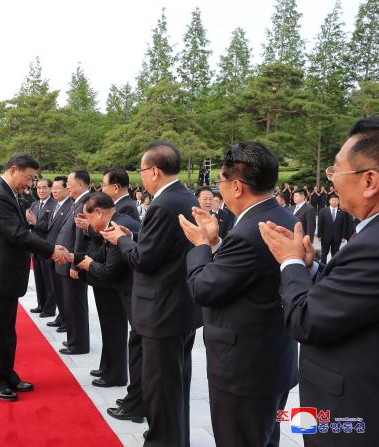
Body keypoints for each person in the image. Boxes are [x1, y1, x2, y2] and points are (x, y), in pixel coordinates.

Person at [259, 117, 379, 447]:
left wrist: (291, 261)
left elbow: (306, 319)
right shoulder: (368, 235)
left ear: (369, 181)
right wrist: (311, 268)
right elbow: (349, 295)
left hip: (350, 411)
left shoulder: (373, 244)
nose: (333, 181)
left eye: (335, 171)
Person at [179, 142, 298, 447]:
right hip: (271, 358)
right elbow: (243, 273)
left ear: (236, 186)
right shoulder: (282, 217)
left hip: (244, 368)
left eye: (220, 181)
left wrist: (201, 246)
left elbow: (203, 287)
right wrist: (217, 242)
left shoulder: (248, 232)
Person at [102, 141, 202, 447]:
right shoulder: (185, 196)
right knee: (176, 385)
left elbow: (144, 260)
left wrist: (121, 240)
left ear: (155, 170)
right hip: (180, 307)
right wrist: (134, 237)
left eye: (142, 170)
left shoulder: (162, 204)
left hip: (161, 309)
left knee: (161, 388)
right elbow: (160, 248)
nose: (140, 177)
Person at [0, 153, 67, 401]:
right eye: (28, 178)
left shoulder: (9, 193)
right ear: (14, 170)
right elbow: (17, 234)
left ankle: (8, 374)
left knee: (7, 332)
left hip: (6, 274)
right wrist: (51, 250)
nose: (30, 184)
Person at [74, 192, 145, 423]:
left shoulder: (117, 229)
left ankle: (137, 403)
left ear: (99, 212)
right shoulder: (122, 223)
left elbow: (110, 269)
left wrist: (89, 263)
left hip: (138, 297)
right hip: (137, 296)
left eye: (89, 218)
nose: (90, 225)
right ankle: (135, 399)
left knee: (139, 354)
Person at [56, 170, 91, 355]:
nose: (67, 186)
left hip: (73, 263)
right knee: (70, 305)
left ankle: (78, 344)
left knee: (75, 305)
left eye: (69, 182)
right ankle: (73, 340)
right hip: (68, 260)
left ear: (79, 184)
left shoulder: (86, 203)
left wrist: (74, 264)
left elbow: (80, 238)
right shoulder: (77, 202)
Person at [44, 176, 73, 331]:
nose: (54, 191)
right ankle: (61, 316)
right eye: (53, 188)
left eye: (57, 188)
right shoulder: (55, 205)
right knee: (56, 288)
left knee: (64, 291)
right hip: (52, 253)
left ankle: (67, 320)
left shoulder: (70, 206)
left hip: (62, 254)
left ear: (67, 189)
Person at [25, 177, 57, 316]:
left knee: (49, 280)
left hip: (47, 247)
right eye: (38, 188)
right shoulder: (34, 205)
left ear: (50, 189)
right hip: (35, 247)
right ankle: (41, 304)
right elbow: (29, 223)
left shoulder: (54, 204)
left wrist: (35, 222)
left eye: (44, 187)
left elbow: (51, 225)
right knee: (39, 279)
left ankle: (49, 309)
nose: (41, 190)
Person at [316, 194, 351, 261]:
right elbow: (320, 224)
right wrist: (319, 235)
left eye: (336, 200)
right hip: (325, 237)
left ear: (338, 201)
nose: (334, 201)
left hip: (337, 237)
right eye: (333, 200)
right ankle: (322, 268)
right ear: (329, 201)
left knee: (335, 254)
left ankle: (333, 268)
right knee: (324, 254)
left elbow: (344, 225)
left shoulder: (343, 212)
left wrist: (343, 237)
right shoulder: (323, 211)